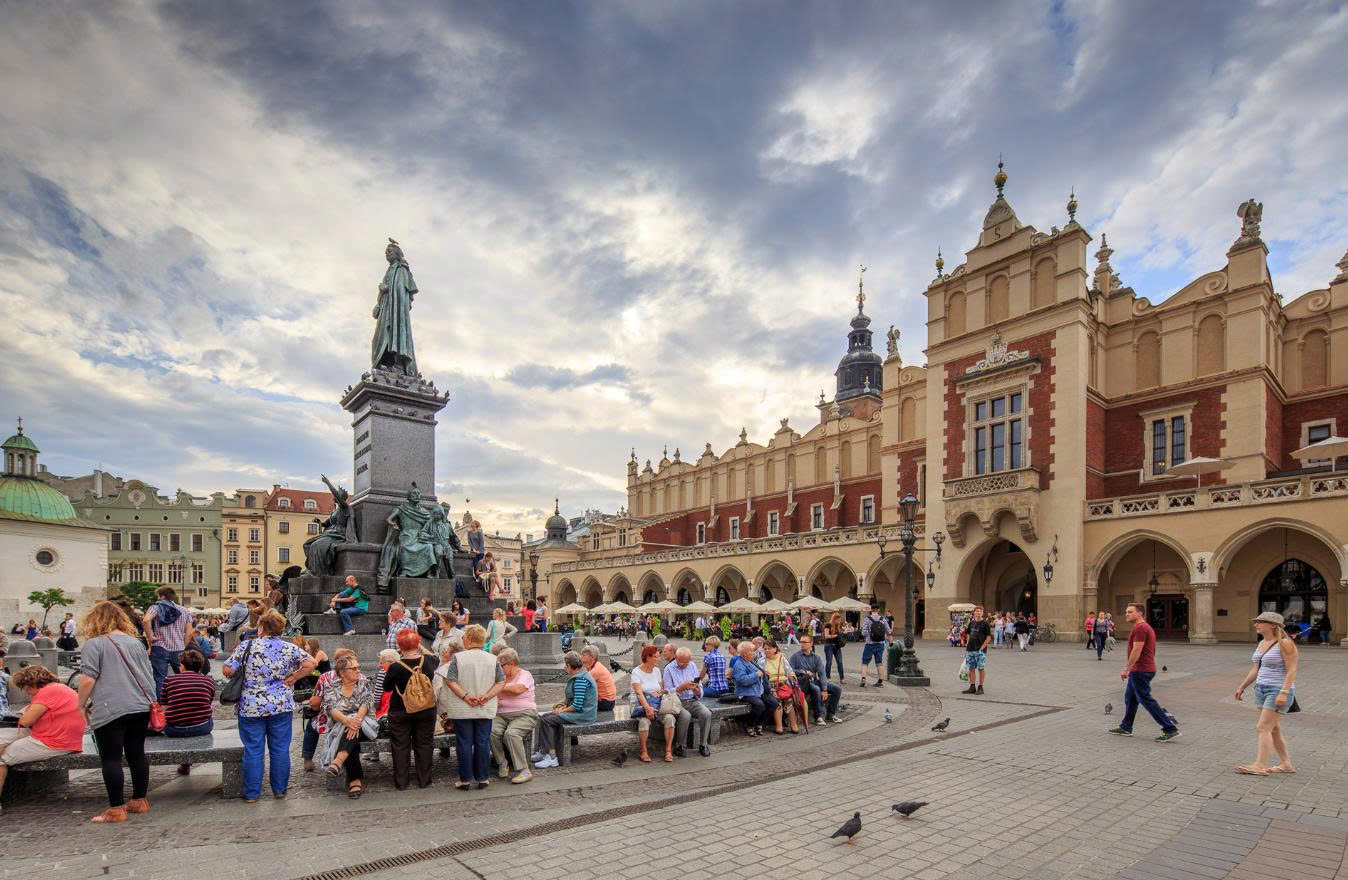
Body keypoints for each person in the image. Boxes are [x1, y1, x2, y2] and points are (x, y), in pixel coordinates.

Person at [73, 601, 156, 822]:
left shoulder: (95, 644)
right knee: (137, 754)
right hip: (140, 706)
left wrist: (80, 704)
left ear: (95, 620)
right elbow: (149, 674)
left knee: (111, 758)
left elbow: (88, 678)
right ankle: (139, 800)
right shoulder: (136, 643)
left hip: (111, 708)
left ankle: (116, 809)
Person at [223, 610, 316, 802]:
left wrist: (243, 672)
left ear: (261, 628)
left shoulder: (246, 645)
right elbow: (311, 663)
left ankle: (251, 794)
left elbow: (227, 669)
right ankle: (279, 790)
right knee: (281, 748)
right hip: (280, 704)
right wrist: (293, 677)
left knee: (253, 749)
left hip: (250, 705)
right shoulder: (288, 647)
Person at [0, 665, 84, 810]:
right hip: (60, 736)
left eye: (26, 688)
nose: (26, 692)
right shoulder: (58, 688)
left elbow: (26, 721)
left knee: (1, 757)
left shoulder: (47, 692)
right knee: (3, 739)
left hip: (54, 741)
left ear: (32, 682)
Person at [434, 623, 502, 789]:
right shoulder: (493, 659)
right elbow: (501, 681)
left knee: (464, 743)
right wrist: (487, 696)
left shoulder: (458, 658)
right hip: (484, 707)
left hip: (462, 708)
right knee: (482, 742)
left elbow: (451, 680)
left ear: (469, 639)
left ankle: (465, 779)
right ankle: (483, 778)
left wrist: (465, 696)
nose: (462, 639)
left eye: (464, 637)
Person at [1234, 611, 1299, 775]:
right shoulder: (1262, 643)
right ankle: (1286, 764)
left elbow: (1292, 670)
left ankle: (1260, 765)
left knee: (1263, 727)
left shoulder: (1285, 643)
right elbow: (1256, 668)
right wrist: (1242, 686)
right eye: (1256, 621)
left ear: (1273, 625)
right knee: (1273, 729)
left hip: (1277, 690)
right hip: (1261, 689)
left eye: (1260, 622)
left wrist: (1284, 692)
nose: (1256, 624)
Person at [1108, 603, 1180, 742]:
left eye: (1130, 612)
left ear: (1140, 613)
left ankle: (1170, 728)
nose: (1126, 614)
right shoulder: (1142, 627)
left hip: (1141, 670)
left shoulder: (1141, 628)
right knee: (1130, 698)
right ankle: (1126, 726)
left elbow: (1137, 650)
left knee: (1146, 700)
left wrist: (1127, 668)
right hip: (1141, 669)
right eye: (1126, 611)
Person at [382, 628, 439, 790]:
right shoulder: (428, 661)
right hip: (426, 709)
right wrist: (420, 647)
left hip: (400, 710)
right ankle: (424, 780)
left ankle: (401, 782)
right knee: (425, 744)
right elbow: (435, 657)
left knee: (400, 745)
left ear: (399, 646)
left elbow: (387, 688)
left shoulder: (395, 667)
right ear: (418, 643)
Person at [322, 654, 374, 798]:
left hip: (365, 723)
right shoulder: (331, 686)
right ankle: (355, 780)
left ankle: (338, 762)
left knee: (352, 731)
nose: (358, 670)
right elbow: (330, 708)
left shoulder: (364, 683)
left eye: (359, 667)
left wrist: (355, 720)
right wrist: (347, 721)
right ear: (342, 672)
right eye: (353, 668)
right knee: (352, 740)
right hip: (342, 724)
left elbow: (366, 703)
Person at [533, 651, 596, 769]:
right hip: (582, 713)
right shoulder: (581, 675)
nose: (565, 667)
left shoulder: (580, 680)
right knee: (545, 716)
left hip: (583, 715)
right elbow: (574, 699)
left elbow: (577, 706)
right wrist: (562, 705)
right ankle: (544, 751)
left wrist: (561, 711)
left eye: (565, 665)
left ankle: (552, 758)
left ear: (569, 666)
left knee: (547, 721)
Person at [489, 647, 539, 784]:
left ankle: (524, 770)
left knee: (511, 734)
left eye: (501, 666)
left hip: (524, 714)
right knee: (490, 730)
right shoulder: (502, 677)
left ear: (511, 663)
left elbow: (517, 689)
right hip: (501, 714)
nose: (499, 669)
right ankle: (502, 762)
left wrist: (499, 686)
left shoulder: (525, 675)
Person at [142, 586, 194, 698]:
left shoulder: (156, 607)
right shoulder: (184, 610)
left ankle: (162, 705)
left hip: (160, 647)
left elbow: (146, 620)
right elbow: (189, 633)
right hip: (178, 648)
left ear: (162, 596)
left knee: (160, 678)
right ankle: (185, 698)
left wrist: (150, 636)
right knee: (184, 676)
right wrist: (182, 646)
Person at [664, 646, 712, 757]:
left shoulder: (692, 665)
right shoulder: (669, 669)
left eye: (687, 662)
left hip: (692, 700)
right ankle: (680, 746)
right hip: (676, 702)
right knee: (686, 716)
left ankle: (703, 744)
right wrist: (682, 687)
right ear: (676, 657)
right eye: (682, 662)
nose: (685, 664)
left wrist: (697, 690)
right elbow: (666, 692)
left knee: (706, 713)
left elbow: (699, 686)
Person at [629, 645, 673, 762]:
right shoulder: (636, 672)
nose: (659, 659)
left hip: (656, 704)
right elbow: (638, 693)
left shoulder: (657, 671)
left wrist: (659, 692)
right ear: (648, 657)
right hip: (640, 704)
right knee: (644, 721)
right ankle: (643, 751)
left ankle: (668, 750)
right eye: (656, 657)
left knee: (670, 718)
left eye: (659, 657)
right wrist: (647, 708)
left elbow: (661, 688)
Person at [790, 635, 841, 725]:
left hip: (814, 680)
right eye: (801, 642)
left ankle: (831, 714)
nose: (802, 644)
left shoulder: (816, 658)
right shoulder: (795, 656)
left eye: (804, 642)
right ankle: (818, 716)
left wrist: (824, 689)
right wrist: (803, 672)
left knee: (837, 689)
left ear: (811, 643)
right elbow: (790, 670)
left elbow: (822, 674)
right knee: (816, 689)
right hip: (803, 682)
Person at [761, 640, 800, 734]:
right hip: (770, 687)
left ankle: (793, 725)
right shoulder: (762, 660)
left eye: (769, 648)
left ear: (775, 649)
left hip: (783, 686)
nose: (766, 650)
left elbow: (789, 670)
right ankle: (779, 726)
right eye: (765, 649)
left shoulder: (782, 658)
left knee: (789, 701)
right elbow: (759, 675)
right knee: (777, 702)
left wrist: (792, 676)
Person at [730, 641, 767, 737]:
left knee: (773, 703)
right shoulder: (739, 664)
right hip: (745, 693)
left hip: (756, 691)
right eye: (752, 651)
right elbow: (742, 680)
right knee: (760, 705)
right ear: (745, 653)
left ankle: (759, 722)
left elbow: (759, 674)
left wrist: (763, 673)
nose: (754, 653)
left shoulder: (751, 661)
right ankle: (749, 725)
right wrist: (757, 674)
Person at [858, 605, 891, 688]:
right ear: (878, 610)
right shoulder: (883, 619)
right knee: (879, 662)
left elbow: (863, 633)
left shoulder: (867, 619)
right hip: (880, 644)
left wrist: (869, 634)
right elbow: (888, 631)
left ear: (871, 610)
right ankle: (880, 681)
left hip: (869, 644)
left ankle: (863, 679)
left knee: (865, 662)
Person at [963, 606, 992, 696]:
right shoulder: (971, 623)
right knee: (971, 668)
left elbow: (988, 637)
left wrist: (982, 648)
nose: (978, 613)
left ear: (982, 613)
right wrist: (968, 641)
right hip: (970, 649)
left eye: (980, 611)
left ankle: (980, 687)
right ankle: (972, 687)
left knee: (980, 668)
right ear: (974, 613)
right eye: (977, 611)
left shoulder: (985, 623)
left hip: (980, 650)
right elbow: (967, 633)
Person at [581, 645, 617, 711]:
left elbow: (581, 686)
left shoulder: (595, 670)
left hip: (606, 703)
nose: (582, 657)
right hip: (609, 701)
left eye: (584, 655)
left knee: (579, 703)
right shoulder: (595, 665)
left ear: (592, 657)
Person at [823, 612, 845, 682]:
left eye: (839, 620)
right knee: (829, 662)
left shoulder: (838, 626)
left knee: (840, 662)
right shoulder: (828, 625)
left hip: (837, 646)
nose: (839, 621)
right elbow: (826, 636)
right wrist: (834, 636)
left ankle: (842, 678)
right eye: (838, 620)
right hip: (829, 645)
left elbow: (840, 635)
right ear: (834, 619)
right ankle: (827, 677)